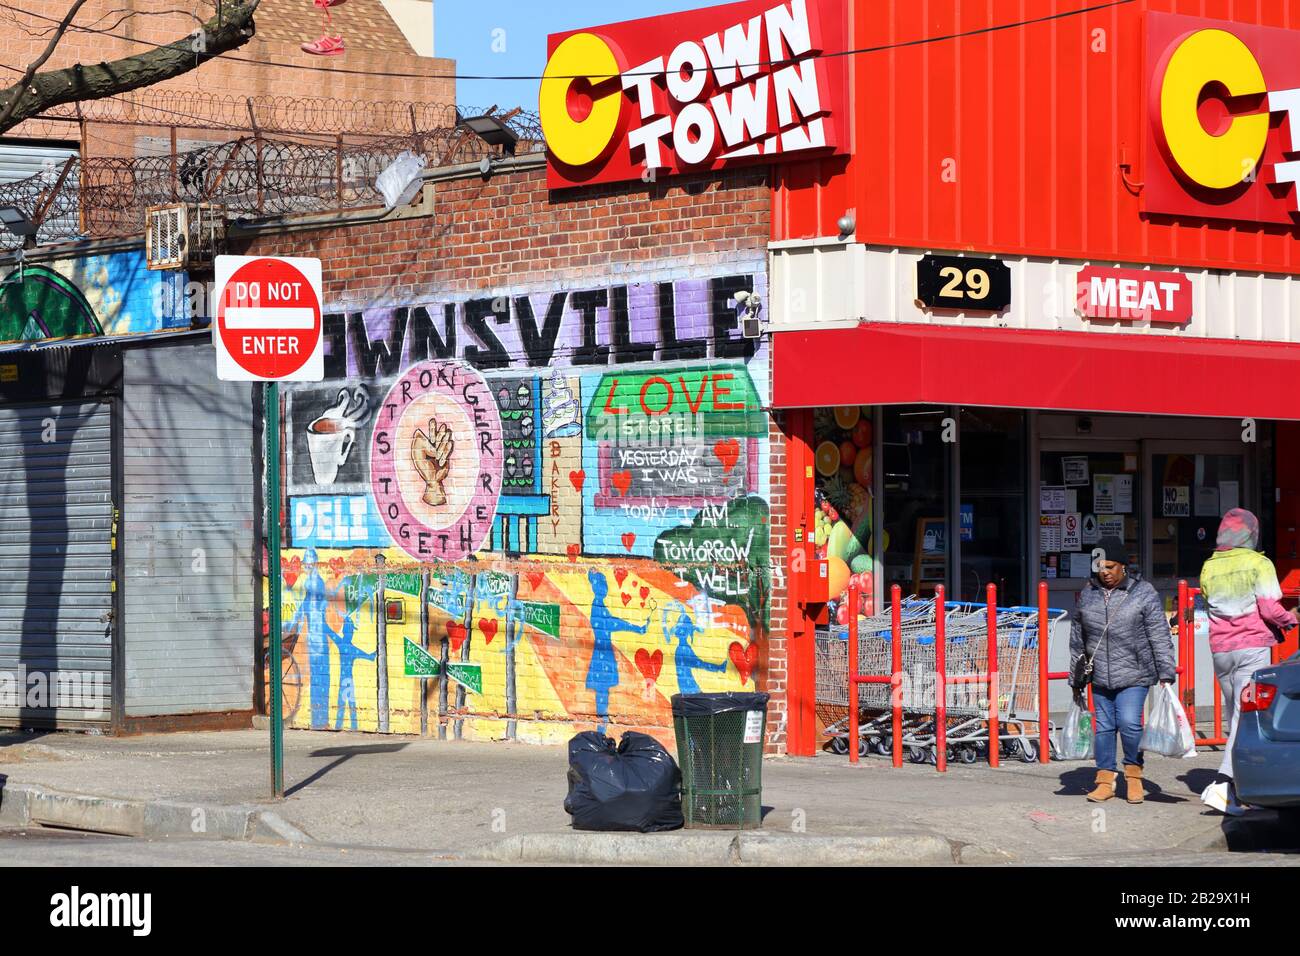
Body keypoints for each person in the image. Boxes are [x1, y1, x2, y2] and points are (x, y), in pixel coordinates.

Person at [1196, 508, 1295, 816]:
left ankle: (1236, 787)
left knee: (1233, 715)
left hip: (1221, 648)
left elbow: (1209, 602)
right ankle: (1224, 784)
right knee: (1245, 716)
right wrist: (1290, 619)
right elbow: (1268, 608)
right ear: (1251, 534)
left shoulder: (1209, 566)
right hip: (1252, 645)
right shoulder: (1259, 563)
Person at [1069, 537, 1176, 804]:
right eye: (1100, 567)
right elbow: (1077, 639)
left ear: (1123, 566)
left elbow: (1159, 635)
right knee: (1104, 728)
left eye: (1110, 566)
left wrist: (1166, 672)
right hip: (1100, 674)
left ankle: (1133, 775)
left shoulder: (1144, 593)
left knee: (1129, 723)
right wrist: (1076, 678)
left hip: (1135, 673)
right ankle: (1105, 780)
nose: (1104, 572)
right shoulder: (1088, 594)